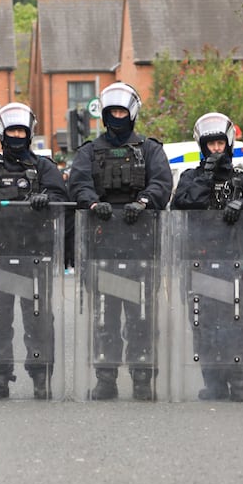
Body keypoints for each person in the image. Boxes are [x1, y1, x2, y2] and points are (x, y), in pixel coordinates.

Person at [67, 82, 173, 400]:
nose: (116, 117)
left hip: (141, 247)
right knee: (104, 318)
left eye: (121, 111)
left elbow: (162, 183)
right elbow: (78, 183)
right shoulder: (88, 151)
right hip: (101, 248)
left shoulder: (150, 150)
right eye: (111, 111)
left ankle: (142, 378)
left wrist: (142, 203)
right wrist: (91, 203)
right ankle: (106, 378)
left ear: (132, 114)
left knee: (141, 317)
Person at [0, 102, 68, 399]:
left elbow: (61, 198)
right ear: (2, 132)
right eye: (12, 130)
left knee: (38, 319)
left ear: (29, 133)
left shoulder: (44, 167)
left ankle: (40, 377)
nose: (17, 135)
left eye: (21, 130)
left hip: (35, 255)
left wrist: (44, 199)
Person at [171, 112, 243, 401]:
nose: (215, 149)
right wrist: (207, 176)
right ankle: (213, 381)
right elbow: (182, 206)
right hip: (200, 262)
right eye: (210, 144)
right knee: (204, 323)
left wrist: (242, 205)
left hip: (235, 261)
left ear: (228, 144)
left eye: (219, 144)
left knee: (238, 322)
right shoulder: (190, 177)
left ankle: (239, 381)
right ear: (202, 145)